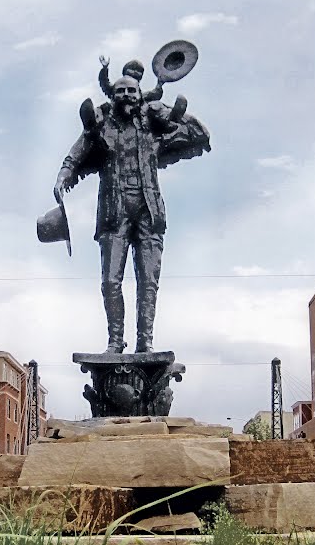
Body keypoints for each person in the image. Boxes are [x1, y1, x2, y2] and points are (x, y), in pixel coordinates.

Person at [54, 75, 210, 353]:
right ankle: (115, 341)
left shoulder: (153, 129)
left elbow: (200, 134)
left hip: (149, 211)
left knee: (148, 281)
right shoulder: (101, 129)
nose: (126, 95)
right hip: (114, 212)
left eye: (131, 90)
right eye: (120, 91)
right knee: (110, 281)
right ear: (113, 97)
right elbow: (75, 154)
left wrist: (172, 114)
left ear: (140, 95)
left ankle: (145, 341)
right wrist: (63, 177)